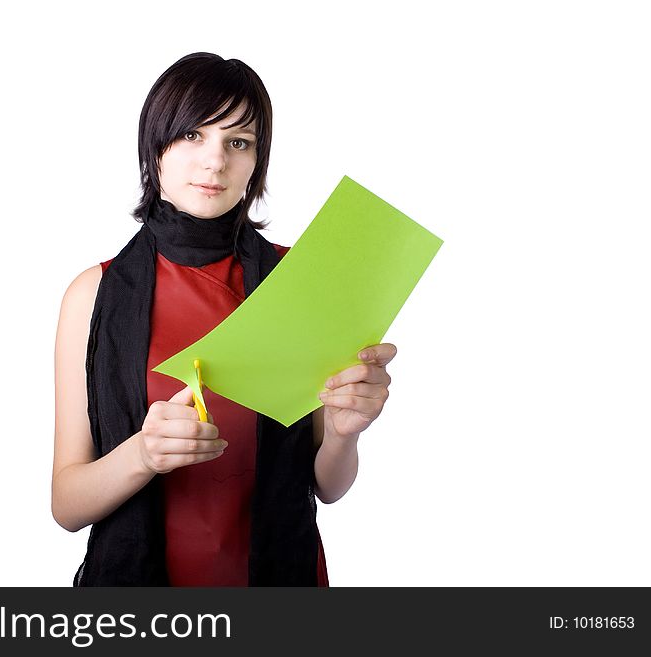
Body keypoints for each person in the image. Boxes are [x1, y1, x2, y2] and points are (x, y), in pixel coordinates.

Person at [52, 52, 397, 586]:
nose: (215, 161)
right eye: (193, 136)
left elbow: (327, 486)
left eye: (239, 142)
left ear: (257, 160)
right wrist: (142, 455)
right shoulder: (92, 293)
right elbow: (67, 505)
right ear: (155, 148)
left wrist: (346, 433)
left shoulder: (301, 280)